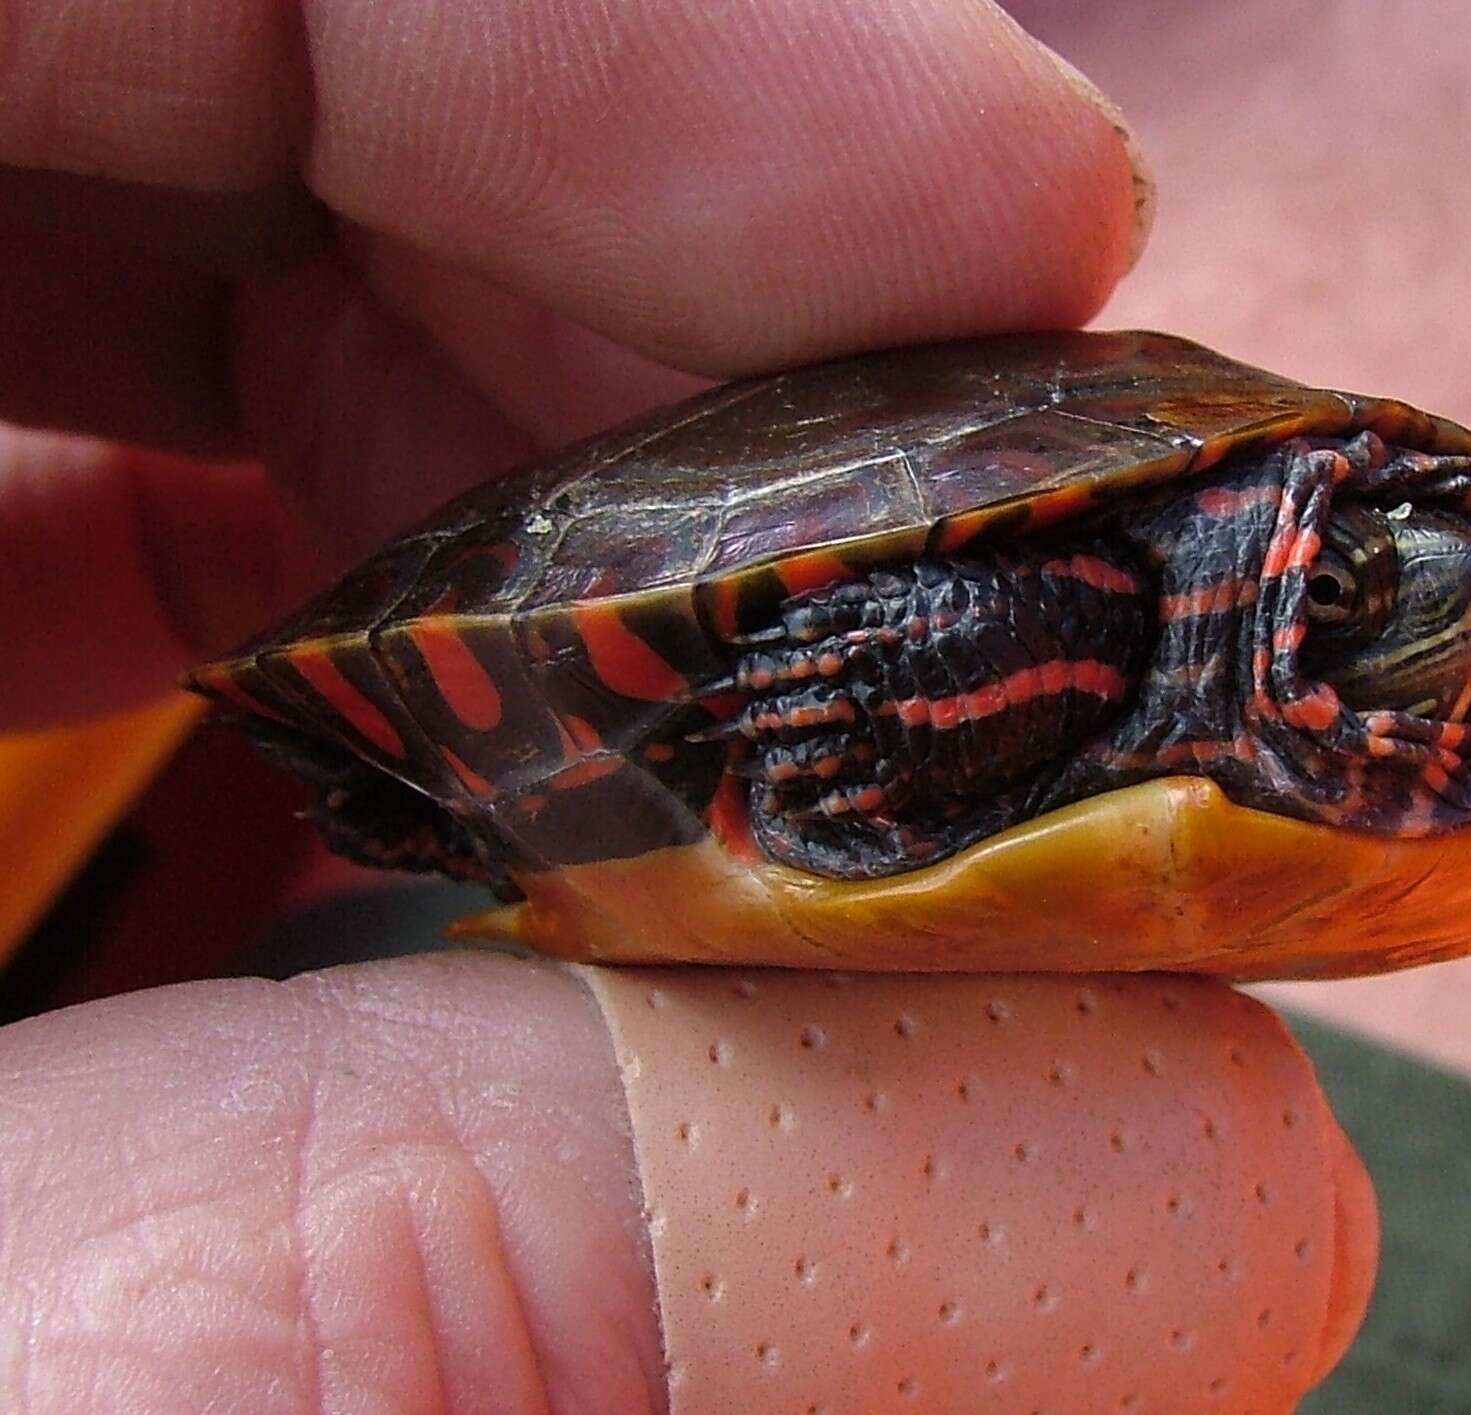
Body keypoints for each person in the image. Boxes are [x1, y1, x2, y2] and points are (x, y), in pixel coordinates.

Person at [0, 2, 1377, 1408]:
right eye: (1363, 591)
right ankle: (447, 762)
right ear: (1279, 576)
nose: (1443, 624)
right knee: (1002, 624)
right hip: (700, 755)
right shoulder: (1113, 598)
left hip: (881, 938)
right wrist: (866, 687)